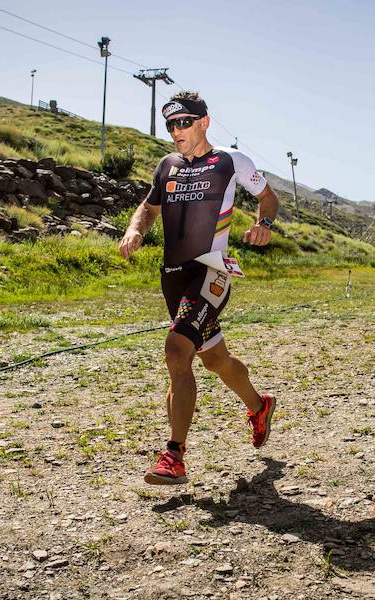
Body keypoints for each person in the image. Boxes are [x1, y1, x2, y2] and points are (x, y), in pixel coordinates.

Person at [119, 92, 279, 485]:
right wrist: (134, 229)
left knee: (177, 351)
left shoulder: (229, 160)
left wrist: (264, 225)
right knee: (214, 359)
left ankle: (173, 455)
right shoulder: (166, 165)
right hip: (172, 275)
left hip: (211, 270)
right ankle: (259, 407)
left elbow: (268, 198)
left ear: (204, 122)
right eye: (171, 125)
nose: (176, 131)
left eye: (184, 123)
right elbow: (149, 208)